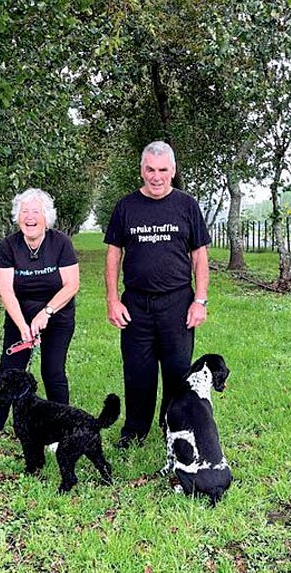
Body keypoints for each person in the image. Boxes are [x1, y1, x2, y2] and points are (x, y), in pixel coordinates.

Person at [104, 141, 210, 449]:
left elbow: (200, 257)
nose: (156, 176)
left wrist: (199, 300)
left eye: (163, 170)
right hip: (136, 303)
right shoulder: (126, 207)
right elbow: (113, 255)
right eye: (150, 169)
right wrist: (113, 299)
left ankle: (172, 427)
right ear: (141, 170)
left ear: (173, 171)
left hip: (177, 303)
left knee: (177, 372)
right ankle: (135, 430)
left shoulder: (187, 205)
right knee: (138, 371)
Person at [0, 188, 80, 451]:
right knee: (8, 372)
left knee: (53, 371)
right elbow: (7, 291)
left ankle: (58, 432)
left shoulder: (61, 244)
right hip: (19, 317)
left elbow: (71, 285)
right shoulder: (9, 246)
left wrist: (46, 313)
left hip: (57, 315)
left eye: (36, 211)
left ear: (46, 217)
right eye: (25, 211)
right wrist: (23, 326)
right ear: (17, 217)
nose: (30, 217)